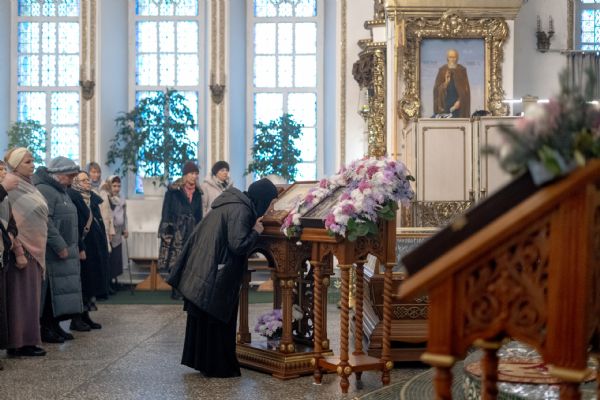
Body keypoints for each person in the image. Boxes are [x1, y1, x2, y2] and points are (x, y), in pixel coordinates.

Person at [168, 178, 278, 377]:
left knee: (206, 320)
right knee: (217, 319)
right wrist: (255, 231)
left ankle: (204, 363)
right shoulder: (242, 210)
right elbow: (238, 245)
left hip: (205, 267)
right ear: (263, 199)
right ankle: (218, 366)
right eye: (271, 204)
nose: (271, 209)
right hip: (215, 271)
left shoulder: (232, 202)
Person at [33, 156, 84, 343]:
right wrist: (60, 245)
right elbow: (46, 221)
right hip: (52, 251)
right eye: (69, 176)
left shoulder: (60, 190)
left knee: (60, 291)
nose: (71, 180)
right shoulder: (45, 189)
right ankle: (46, 327)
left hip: (65, 249)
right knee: (51, 291)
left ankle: (54, 325)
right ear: (58, 174)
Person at [3, 150, 48, 356]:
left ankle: (29, 340)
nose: (32, 165)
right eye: (27, 162)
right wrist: (19, 250)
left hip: (35, 248)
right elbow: (11, 222)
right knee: (20, 298)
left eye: (32, 161)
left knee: (31, 298)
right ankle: (18, 343)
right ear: (15, 164)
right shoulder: (11, 185)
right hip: (21, 250)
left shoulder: (28, 184)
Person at [67, 171, 109, 331]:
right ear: (76, 182)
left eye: (88, 180)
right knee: (81, 283)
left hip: (94, 246)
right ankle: (76, 318)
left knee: (90, 282)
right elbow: (75, 226)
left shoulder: (91, 198)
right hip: (82, 246)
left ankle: (86, 315)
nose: (88, 182)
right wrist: (80, 246)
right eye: (84, 180)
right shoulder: (73, 198)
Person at [158, 161, 202, 299]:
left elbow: (199, 215)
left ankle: (186, 290)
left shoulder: (198, 193)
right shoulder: (173, 192)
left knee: (189, 261)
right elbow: (166, 212)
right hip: (176, 230)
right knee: (175, 261)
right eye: (192, 173)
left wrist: (200, 231)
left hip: (192, 230)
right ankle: (176, 290)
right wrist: (166, 230)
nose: (194, 176)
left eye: (196, 173)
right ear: (185, 175)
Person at [101, 176, 128, 292]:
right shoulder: (106, 197)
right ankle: (108, 283)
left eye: (119, 186)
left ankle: (115, 280)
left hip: (118, 232)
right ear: (109, 186)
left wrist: (125, 228)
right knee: (110, 258)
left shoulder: (121, 198)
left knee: (117, 258)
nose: (117, 188)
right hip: (109, 232)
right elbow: (106, 215)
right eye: (114, 186)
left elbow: (124, 215)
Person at [433, 48, 471, 118]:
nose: (453, 59)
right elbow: (436, 90)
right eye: (450, 57)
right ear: (447, 58)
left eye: (454, 57)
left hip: (458, 106)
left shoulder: (461, 70)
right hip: (445, 105)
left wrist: (460, 101)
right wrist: (446, 83)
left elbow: (466, 90)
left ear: (457, 58)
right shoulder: (442, 70)